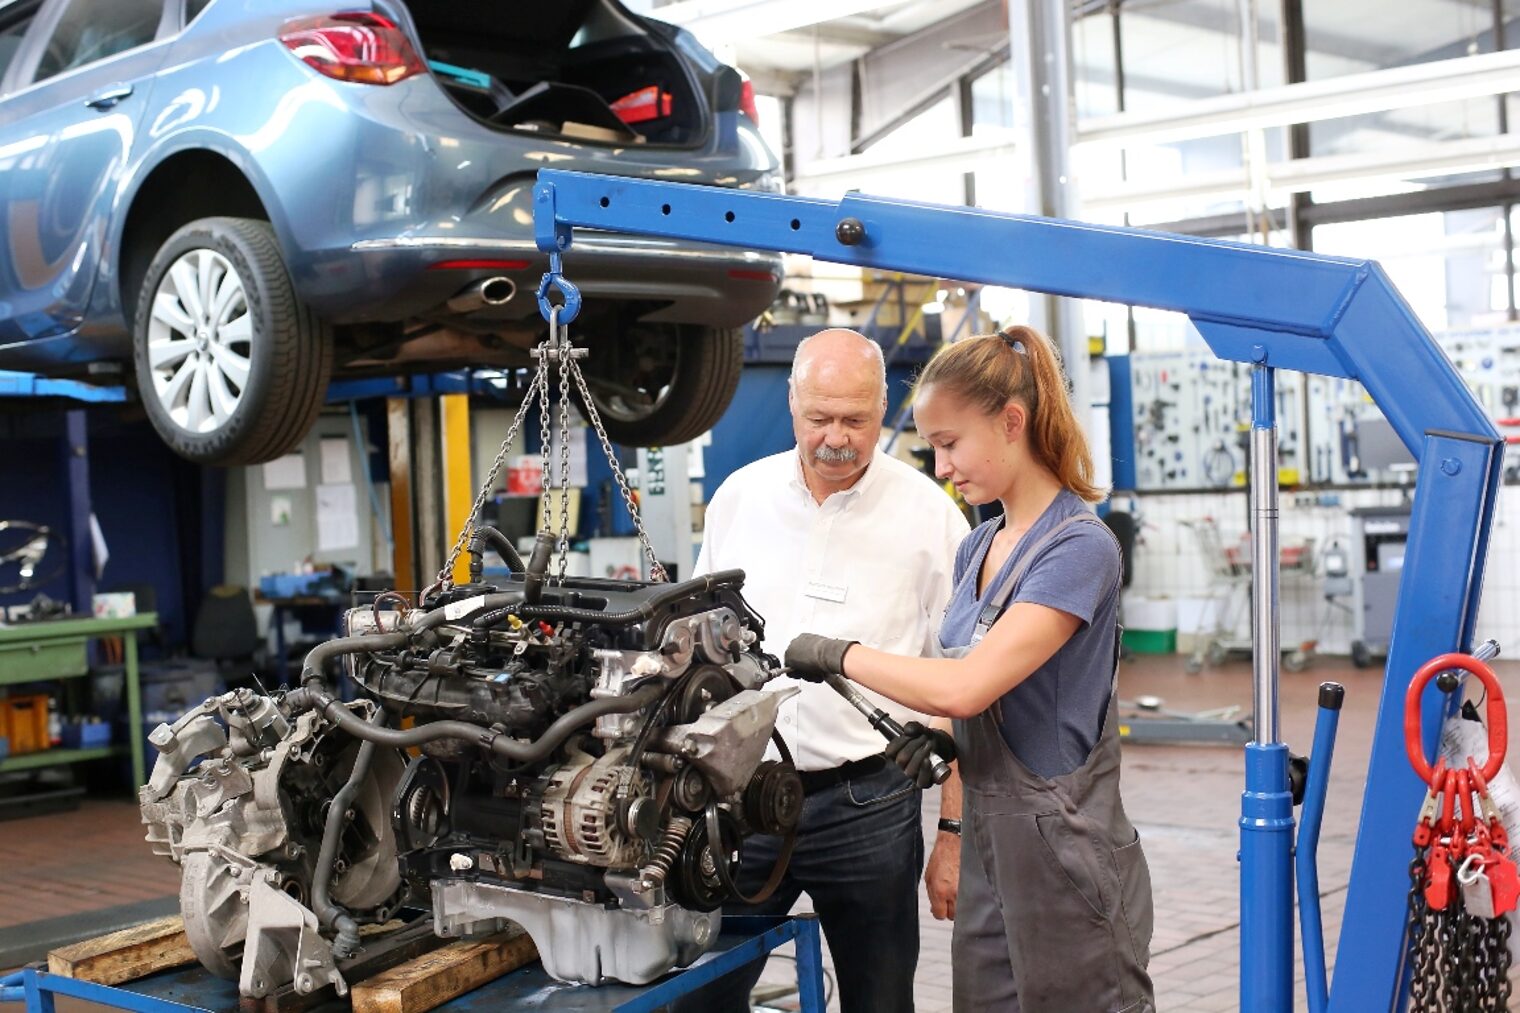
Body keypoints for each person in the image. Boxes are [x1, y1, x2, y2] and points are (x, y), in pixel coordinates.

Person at [786, 326, 1155, 1013]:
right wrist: (939, 733)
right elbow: (963, 700)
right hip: (991, 844)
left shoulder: (1079, 546)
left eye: (950, 444)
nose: (941, 466)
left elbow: (967, 680)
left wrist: (840, 653)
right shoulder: (980, 543)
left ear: (1011, 422)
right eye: (931, 448)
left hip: (1066, 847)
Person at [681, 328, 970, 1013]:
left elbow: (965, 687)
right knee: (699, 995)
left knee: (878, 999)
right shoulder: (740, 498)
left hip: (869, 804)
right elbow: (697, 643)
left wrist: (953, 834)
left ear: (882, 409)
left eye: (856, 419)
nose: (836, 437)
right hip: (744, 800)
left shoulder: (932, 515)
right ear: (792, 405)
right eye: (820, 418)